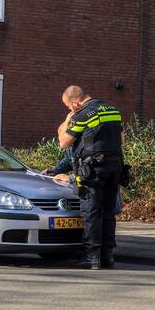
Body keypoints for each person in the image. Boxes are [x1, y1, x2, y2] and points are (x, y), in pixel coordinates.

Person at [57, 85, 124, 269]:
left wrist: (66, 120)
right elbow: (122, 140)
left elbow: (63, 142)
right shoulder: (113, 110)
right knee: (109, 213)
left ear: (76, 103)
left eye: (69, 107)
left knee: (91, 211)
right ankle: (107, 255)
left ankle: (91, 257)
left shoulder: (82, 114)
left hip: (93, 169)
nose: (70, 110)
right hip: (115, 167)